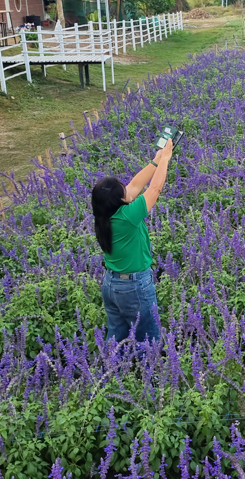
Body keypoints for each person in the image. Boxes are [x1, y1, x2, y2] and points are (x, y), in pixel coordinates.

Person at [92, 138, 173, 342]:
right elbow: (154, 190)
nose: (127, 189)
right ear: (119, 200)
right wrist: (166, 159)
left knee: (116, 337)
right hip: (134, 286)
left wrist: (155, 161)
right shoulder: (128, 216)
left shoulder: (105, 216)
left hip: (111, 284)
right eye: (122, 190)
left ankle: (111, 369)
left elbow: (136, 185)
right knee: (149, 338)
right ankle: (151, 372)